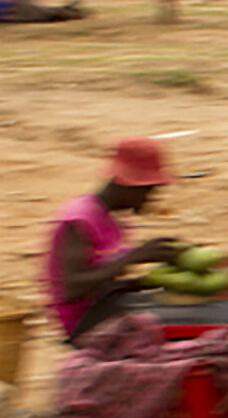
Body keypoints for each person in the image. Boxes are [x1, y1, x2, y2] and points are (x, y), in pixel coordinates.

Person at [46, 138, 182, 343]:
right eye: (148, 191)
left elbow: (104, 280)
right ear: (128, 185)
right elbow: (71, 289)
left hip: (106, 304)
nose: (149, 199)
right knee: (181, 321)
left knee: (182, 307)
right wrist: (133, 257)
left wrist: (149, 281)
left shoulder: (112, 219)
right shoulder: (79, 218)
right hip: (84, 322)